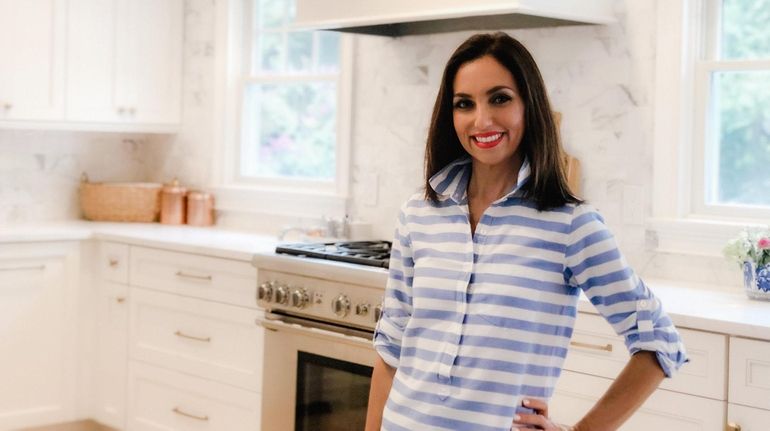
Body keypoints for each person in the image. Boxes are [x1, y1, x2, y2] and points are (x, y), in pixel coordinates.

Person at [364, 32, 688, 431]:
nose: (481, 120)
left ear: (528, 105)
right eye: (464, 104)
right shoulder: (419, 212)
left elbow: (659, 339)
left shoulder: (571, 224)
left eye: (499, 98)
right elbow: (391, 345)